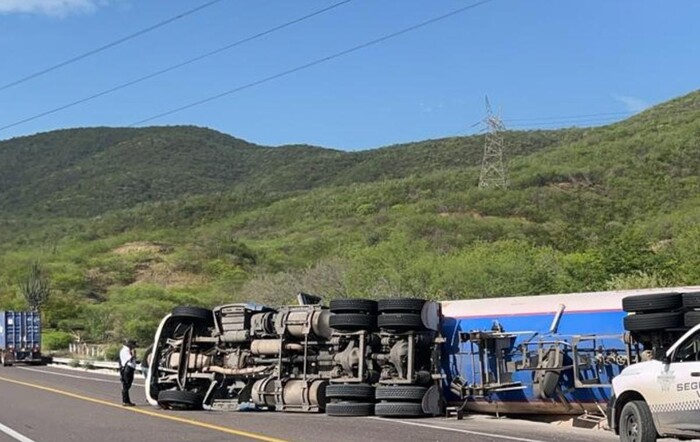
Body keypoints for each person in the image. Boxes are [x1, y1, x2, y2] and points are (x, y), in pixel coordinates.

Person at [119, 339, 137, 406]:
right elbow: (130, 359)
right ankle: (125, 401)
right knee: (126, 385)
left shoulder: (125, 350)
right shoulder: (126, 350)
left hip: (128, 368)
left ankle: (126, 400)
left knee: (127, 385)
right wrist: (133, 354)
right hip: (127, 369)